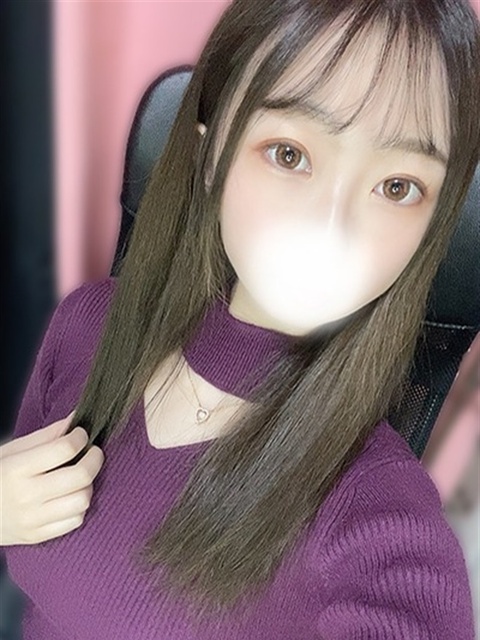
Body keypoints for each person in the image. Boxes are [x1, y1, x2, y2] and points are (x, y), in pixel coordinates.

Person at [1, 0, 479, 637]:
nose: (331, 227)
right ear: (213, 151)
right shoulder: (86, 325)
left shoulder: (378, 517)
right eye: (289, 154)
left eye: (398, 187)